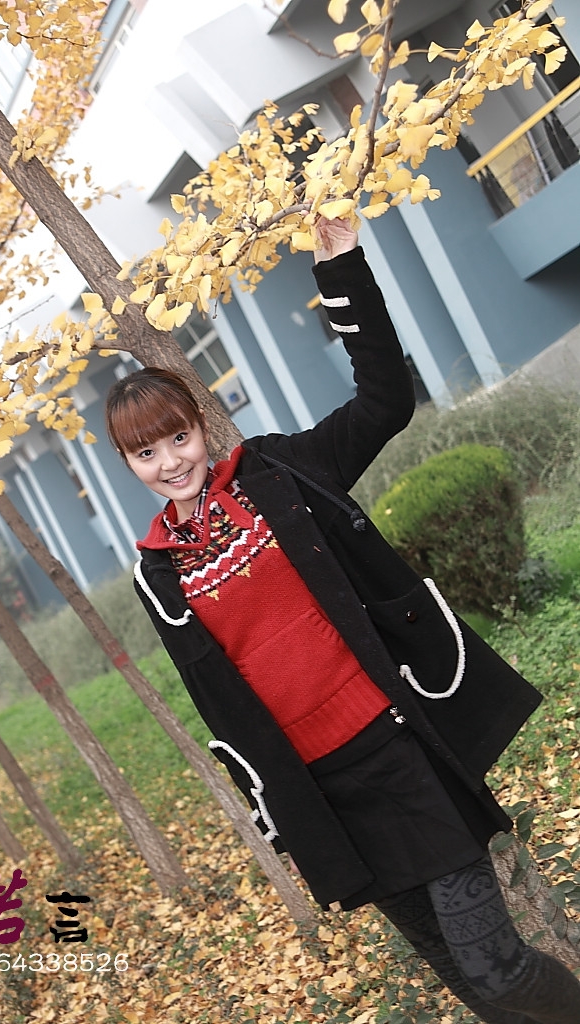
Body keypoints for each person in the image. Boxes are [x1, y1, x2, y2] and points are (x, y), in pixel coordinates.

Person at [105, 218, 580, 1023]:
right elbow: (224, 703)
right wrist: (282, 817)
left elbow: (386, 399)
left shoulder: (281, 471)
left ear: (198, 428)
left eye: (177, 437)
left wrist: (341, 270)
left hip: (400, 751)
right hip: (325, 796)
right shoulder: (158, 574)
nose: (169, 461)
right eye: (145, 454)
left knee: (495, 971)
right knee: (468, 985)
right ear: (127, 465)